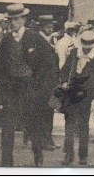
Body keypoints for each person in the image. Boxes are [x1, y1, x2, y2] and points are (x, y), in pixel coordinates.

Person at [0, 3, 58, 167]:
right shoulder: (6, 41)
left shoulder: (35, 38)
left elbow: (50, 63)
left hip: (31, 88)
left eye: (16, 19)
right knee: (8, 126)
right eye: (10, 19)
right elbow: (0, 67)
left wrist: (43, 90)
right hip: (12, 89)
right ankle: (6, 163)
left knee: (34, 125)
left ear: (23, 19)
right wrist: (3, 90)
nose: (13, 23)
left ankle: (38, 157)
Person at [59, 29, 94, 166]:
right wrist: (64, 82)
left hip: (85, 97)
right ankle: (68, 155)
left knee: (83, 126)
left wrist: (88, 94)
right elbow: (64, 70)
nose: (85, 48)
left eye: (88, 46)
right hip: (70, 95)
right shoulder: (73, 53)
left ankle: (83, 156)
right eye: (84, 45)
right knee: (70, 125)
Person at [36, 14, 60, 151]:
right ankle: (42, 140)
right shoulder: (39, 41)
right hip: (42, 83)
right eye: (47, 27)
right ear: (42, 27)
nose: (50, 29)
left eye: (51, 27)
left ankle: (48, 138)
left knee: (49, 111)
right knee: (43, 112)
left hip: (50, 83)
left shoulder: (48, 41)